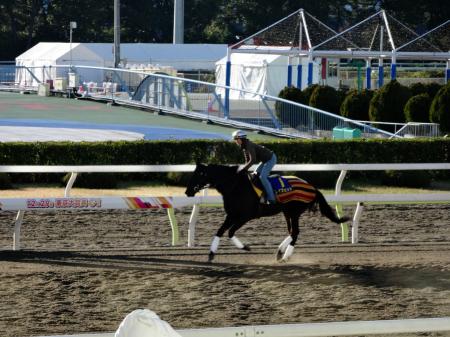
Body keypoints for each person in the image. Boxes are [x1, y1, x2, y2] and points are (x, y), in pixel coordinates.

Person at [232, 130, 277, 204]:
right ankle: (263, 195)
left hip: (271, 159)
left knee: (262, 177)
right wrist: (244, 170)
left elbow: (253, 160)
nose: (235, 141)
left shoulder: (248, 145)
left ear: (241, 138)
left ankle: (271, 199)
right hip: (265, 160)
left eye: (236, 139)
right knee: (255, 175)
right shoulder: (244, 147)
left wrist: (244, 170)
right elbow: (247, 161)